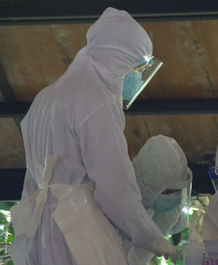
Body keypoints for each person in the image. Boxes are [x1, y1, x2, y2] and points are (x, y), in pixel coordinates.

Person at [9, 7, 177, 265]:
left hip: (39, 235)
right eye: (138, 66)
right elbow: (113, 182)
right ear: (118, 58)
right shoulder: (94, 98)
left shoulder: (44, 99)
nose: (137, 76)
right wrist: (148, 236)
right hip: (79, 231)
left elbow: (32, 181)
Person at [122, 135, 193, 265]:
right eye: (167, 192)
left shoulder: (170, 212)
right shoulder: (119, 205)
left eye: (177, 191)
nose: (174, 198)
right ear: (146, 186)